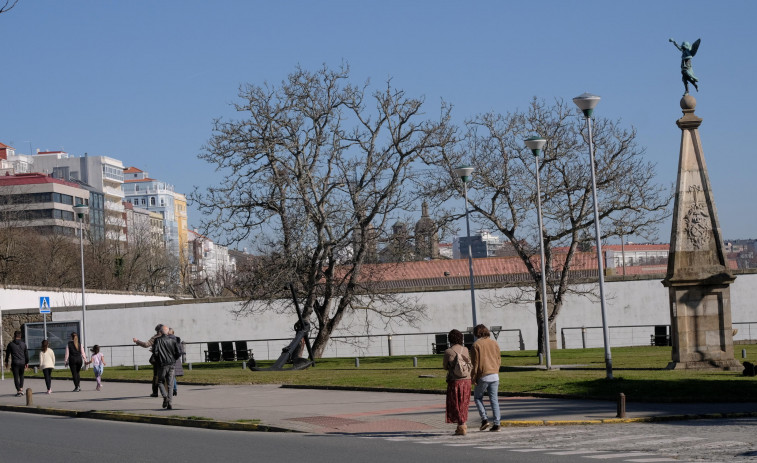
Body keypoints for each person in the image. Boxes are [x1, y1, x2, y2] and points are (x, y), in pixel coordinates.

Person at [470, 324, 502, 432]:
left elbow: (475, 363)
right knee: (494, 400)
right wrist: (496, 369)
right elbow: (498, 358)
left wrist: (473, 377)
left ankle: (484, 419)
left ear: (476, 333)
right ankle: (497, 423)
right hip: (494, 374)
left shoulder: (476, 345)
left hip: (483, 375)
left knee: (478, 397)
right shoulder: (494, 343)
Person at [442, 329, 471, 436]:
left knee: (455, 403)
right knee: (464, 403)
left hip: (455, 381)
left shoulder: (448, 351)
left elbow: (445, 366)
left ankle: (461, 425)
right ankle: (462, 423)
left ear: (450, 339)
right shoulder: (466, 349)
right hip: (466, 380)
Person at [153, 325, 181, 410]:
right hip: (171, 364)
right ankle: (170, 403)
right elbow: (178, 353)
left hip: (162, 365)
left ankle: (165, 396)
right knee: (170, 385)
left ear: (160, 332)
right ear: (168, 332)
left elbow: (156, 353)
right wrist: (173, 359)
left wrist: (159, 361)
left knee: (160, 382)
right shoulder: (173, 341)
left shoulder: (157, 340)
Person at [133, 324, 164, 397]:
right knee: (166, 375)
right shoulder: (169, 337)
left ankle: (155, 392)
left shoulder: (155, 338)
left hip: (157, 359)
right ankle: (167, 392)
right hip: (167, 359)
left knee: (156, 375)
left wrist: (137, 341)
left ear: (157, 330)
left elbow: (146, 344)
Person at [4, 331, 29, 397]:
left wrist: (6, 362)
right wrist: (26, 362)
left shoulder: (11, 344)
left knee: (16, 377)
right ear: (20, 336)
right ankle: (21, 388)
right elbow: (26, 354)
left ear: (14, 336)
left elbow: (7, 354)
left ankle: (18, 391)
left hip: (15, 362)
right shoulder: (23, 344)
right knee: (21, 375)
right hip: (22, 362)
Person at [167, 328, 184, 397]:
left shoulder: (167, 339)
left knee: (169, 375)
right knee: (173, 376)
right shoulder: (177, 339)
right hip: (176, 359)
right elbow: (180, 350)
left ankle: (171, 390)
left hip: (169, 359)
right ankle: (175, 389)